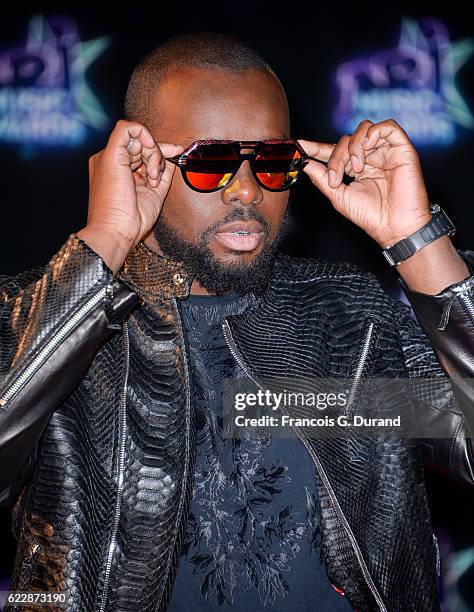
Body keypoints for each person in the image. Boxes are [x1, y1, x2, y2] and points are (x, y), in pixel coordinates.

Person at [1, 31, 474, 612]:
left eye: (273, 161)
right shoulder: (47, 318)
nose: (247, 190)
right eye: (211, 162)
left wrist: (417, 240)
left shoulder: (346, 320)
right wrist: (105, 242)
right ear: (141, 162)